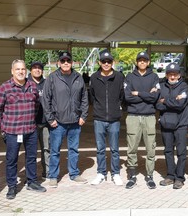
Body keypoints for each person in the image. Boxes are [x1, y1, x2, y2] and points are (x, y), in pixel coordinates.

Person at [0, 59, 46, 200]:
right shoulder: (4, 88)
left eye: (23, 69)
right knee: (11, 159)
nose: (21, 72)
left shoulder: (32, 86)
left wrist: (31, 120)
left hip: (30, 130)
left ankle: (32, 181)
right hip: (12, 131)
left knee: (32, 158)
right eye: (17, 69)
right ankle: (12, 186)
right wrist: (3, 127)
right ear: (12, 71)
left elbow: (37, 106)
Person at [42, 51, 89, 188]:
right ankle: (53, 176)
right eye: (63, 61)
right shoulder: (52, 77)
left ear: (72, 62)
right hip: (58, 122)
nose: (66, 63)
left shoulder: (78, 77)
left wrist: (83, 116)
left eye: (68, 60)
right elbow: (46, 100)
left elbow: (84, 98)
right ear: (59, 63)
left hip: (75, 121)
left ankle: (74, 173)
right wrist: (50, 119)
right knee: (55, 150)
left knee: (73, 150)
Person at [124, 51, 160, 189]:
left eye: (145, 60)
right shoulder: (129, 77)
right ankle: (132, 175)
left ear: (148, 62)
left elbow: (155, 97)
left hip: (149, 117)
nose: (142, 62)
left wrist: (138, 93)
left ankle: (149, 176)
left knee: (150, 148)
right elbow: (127, 97)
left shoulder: (154, 77)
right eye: (140, 60)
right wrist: (147, 95)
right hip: (133, 116)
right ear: (136, 62)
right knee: (131, 147)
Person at [89, 50, 124, 186]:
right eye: (103, 61)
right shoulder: (93, 77)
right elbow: (92, 96)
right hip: (99, 118)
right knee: (100, 148)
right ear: (99, 62)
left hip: (114, 119)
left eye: (109, 61)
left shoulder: (119, 77)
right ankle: (101, 173)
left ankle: (116, 173)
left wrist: (116, 107)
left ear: (112, 62)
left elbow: (122, 95)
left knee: (115, 148)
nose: (106, 64)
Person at [156, 63, 188, 189]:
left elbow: (181, 104)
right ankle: (170, 175)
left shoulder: (184, 86)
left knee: (181, 152)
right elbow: (158, 105)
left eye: (175, 74)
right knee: (168, 151)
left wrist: (165, 101)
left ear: (179, 75)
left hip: (181, 124)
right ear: (166, 74)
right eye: (170, 74)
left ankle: (179, 178)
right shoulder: (161, 86)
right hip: (166, 123)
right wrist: (173, 101)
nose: (172, 76)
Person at [28, 61, 50, 179]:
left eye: (39, 68)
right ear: (30, 70)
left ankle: (47, 172)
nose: (37, 70)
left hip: (45, 122)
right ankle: (31, 176)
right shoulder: (26, 84)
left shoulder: (47, 83)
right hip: (31, 123)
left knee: (46, 148)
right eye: (34, 68)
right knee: (31, 151)